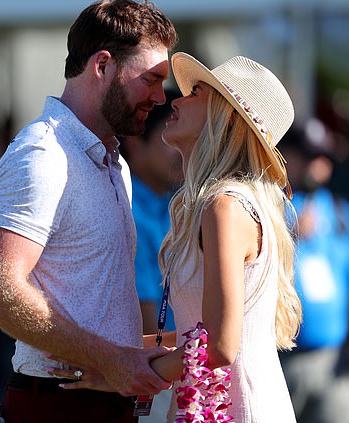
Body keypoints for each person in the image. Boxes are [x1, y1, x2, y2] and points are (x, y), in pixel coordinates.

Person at [52, 52, 303, 422]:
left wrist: (129, 374)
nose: (177, 99)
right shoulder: (232, 202)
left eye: (196, 92)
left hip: (235, 409)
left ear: (226, 117)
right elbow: (197, 335)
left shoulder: (224, 207)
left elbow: (218, 346)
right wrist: (116, 358)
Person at [0, 1, 177, 422]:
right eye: (151, 79)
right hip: (57, 404)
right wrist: (114, 358)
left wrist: (133, 356)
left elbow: (93, 307)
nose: (159, 97)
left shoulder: (115, 160)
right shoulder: (40, 154)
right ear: (102, 65)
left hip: (96, 400)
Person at [278, 120, 349, 423]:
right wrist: (290, 232)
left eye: (324, 158)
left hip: (334, 360)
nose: (318, 166)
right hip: (281, 359)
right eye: (309, 156)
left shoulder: (341, 212)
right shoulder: (269, 206)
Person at [121, 89, 183, 422]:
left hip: (172, 366)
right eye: (166, 137)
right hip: (154, 373)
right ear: (134, 143)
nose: (180, 150)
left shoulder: (176, 203)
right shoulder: (129, 210)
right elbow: (147, 316)